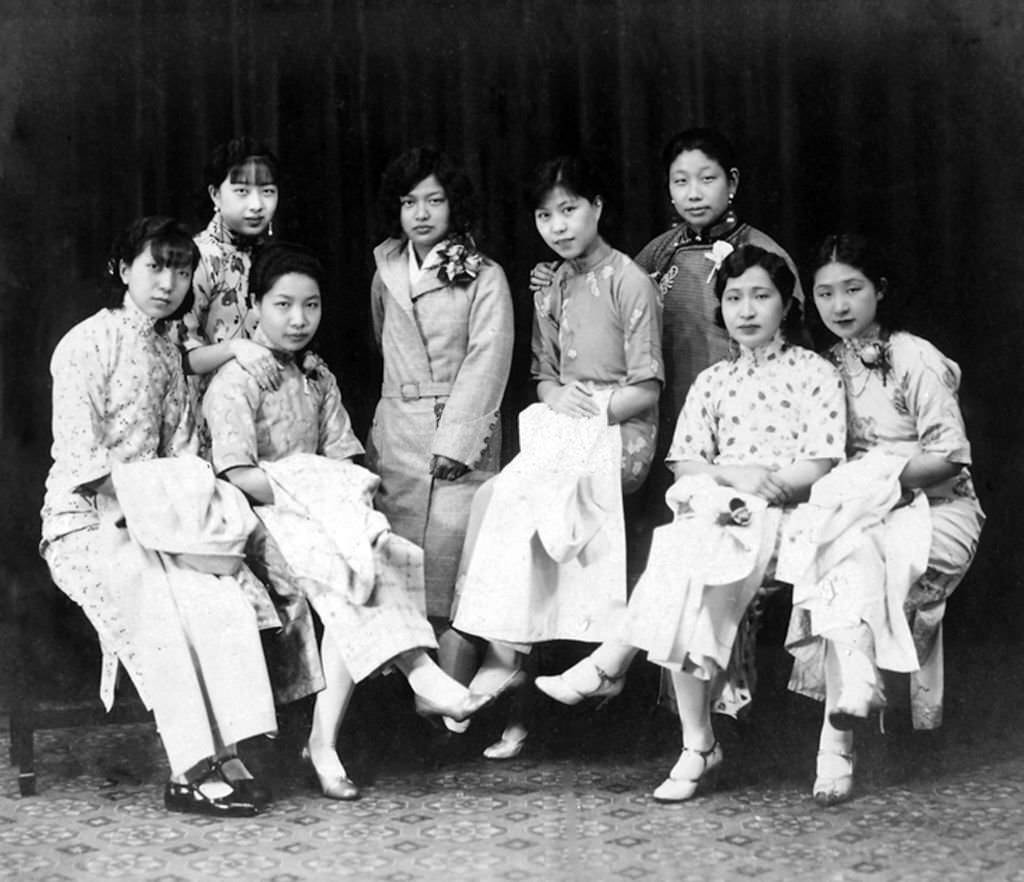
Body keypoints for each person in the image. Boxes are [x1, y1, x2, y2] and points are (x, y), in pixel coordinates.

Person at [536, 245, 846, 802]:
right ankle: (695, 739)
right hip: (725, 515)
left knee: (686, 553)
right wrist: (738, 476)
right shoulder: (712, 381)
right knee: (687, 549)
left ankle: (625, 670)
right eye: (733, 298)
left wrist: (765, 482)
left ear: (785, 304)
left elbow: (821, 460)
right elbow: (685, 461)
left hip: (795, 518)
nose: (746, 310)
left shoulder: (815, 372)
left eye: (760, 296)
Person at [203, 242, 495, 801]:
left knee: (367, 553)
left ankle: (323, 740)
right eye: (283, 305)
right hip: (262, 514)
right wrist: (312, 492)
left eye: (310, 306)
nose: (297, 319)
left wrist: (334, 495)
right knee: (344, 561)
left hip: (318, 514)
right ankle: (420, 675)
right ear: (255, 305)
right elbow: (236, 473)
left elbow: (344, 457)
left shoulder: (317, 376)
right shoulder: (238, 379)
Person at [40, 217, 277, 817]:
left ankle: (225, 749)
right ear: (122, 270)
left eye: (180, 269)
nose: (169, 282)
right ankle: (189, 766)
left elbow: (184, 451)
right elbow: (81, 457)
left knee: (215, 594)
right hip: (89, 519)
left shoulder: (172, 351)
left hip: (162, 519)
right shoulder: (85, 343)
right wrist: (140, 510)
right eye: (155, 266)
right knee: (156, 605)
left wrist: (173, 513)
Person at [452, 155, 664, 759]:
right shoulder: (553, 284)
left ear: (597, 207)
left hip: (622, 428)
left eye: (570, 209)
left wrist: (592, 407)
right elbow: (542, 378)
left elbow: (647, 388)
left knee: (529, 500)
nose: (559, 226)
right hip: (568, 423)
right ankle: (505, 658)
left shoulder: (629, 280)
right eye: (546, 215)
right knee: (496, 497)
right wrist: (558, 395)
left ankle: (510, 665)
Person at [781, 234, 985, 806]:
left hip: (937, 508)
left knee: (845, 546)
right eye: (825, 293)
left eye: (852, 289)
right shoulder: (821, 367)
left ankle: (835, 744)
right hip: (859, 516)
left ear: (880, 291)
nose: (839, 305)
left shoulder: (914, 356)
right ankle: (852, 703)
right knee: (845, 546)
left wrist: (878, 481)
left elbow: (949, 459)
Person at [533, 129, 803, 518]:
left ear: (733, 182)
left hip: (738, 421)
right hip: (657, 418)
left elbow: (790, 351)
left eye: (707, 179)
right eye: (681, 181)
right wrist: (556, 275)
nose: (694, 193)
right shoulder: (656, 254)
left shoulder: (764, 255)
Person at [366, 147, 514, 723]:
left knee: (454, 566)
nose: (421, 213)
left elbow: (489, 359)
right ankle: (406, 706)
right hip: (396, 431)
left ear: (454, 206)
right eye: (409, 202)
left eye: (434, 200)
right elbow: (382, 341)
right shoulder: (384, 270)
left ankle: (447, 703)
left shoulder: (484, 275)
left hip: (458, 435)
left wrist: (458, 440)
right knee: (399, 564)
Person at [177, 136, 283, 392]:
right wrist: (235, 348)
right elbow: (178, 357)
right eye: (242, 192)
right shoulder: (197, 257)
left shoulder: (274, 256)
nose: (257, 205)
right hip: (211, 409)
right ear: (215, 194)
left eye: (267, 191)